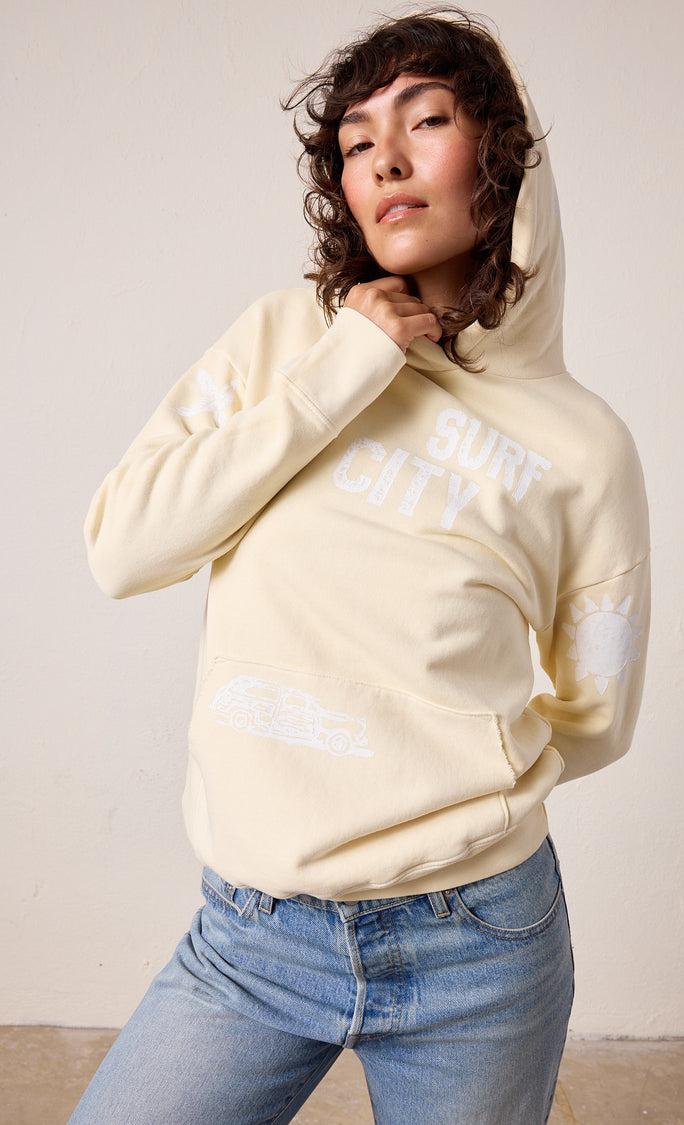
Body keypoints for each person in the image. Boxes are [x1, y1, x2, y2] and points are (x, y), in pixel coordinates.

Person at [70, 9, 649, 1124]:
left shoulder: (584, 447)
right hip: (253, 931)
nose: (383, 157)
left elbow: (597, 717)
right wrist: (345, 368)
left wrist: (444, 774)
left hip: (476, 943)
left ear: (504, 156)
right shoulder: (283, 343)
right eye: (354, 141)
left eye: (425, 120)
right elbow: (124, 547)